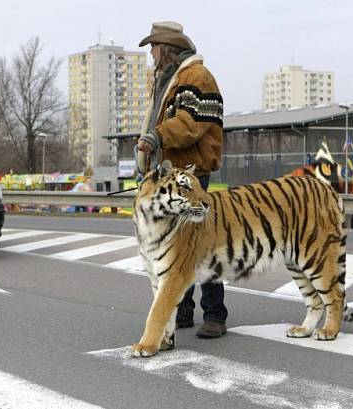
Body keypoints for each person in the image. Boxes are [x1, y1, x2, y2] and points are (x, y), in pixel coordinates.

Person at [136, 21, 227, 338]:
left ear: (168, 48)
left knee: (204, 246)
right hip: (171, 179)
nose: (151, 53)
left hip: (192, 176)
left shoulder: (196, 77)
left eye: (154, 47)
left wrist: (156, 138)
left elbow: (190, 123)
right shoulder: (168, 78)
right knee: (176, 246)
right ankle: (184, 311)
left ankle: (215, 314)